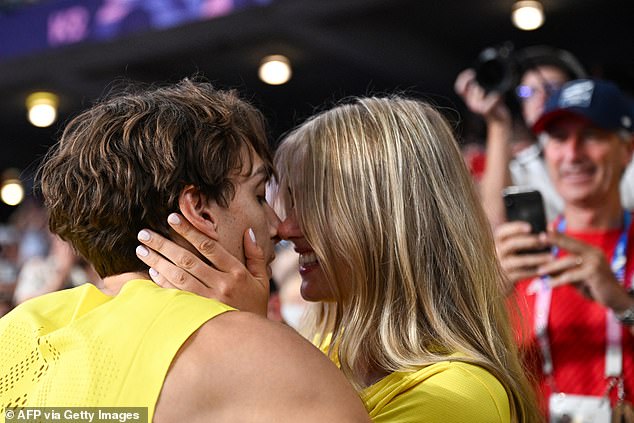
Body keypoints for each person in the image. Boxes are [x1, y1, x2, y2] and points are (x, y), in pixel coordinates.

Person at [135, 96, 543, 422]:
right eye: (277, 199)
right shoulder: (327, 352)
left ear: (384, 218)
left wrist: (249, 341)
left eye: (310, 204)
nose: (283, 227)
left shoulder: (457, 396)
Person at [0, 79, 370, 422]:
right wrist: (251, 333)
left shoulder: (16, 329)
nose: (276, 226)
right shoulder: (265, 358)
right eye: (259, 196)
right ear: (200, 210)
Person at [495, 79, 634, 420]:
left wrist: (623, 304)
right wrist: (486, 296)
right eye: (558, 138)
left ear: (626, 150)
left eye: (591, 135)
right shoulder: (517, 254)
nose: (572, 154)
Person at [454, 45, 634, 227]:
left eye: (553, 88)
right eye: (528, 92)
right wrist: (498, 124)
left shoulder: (619, 153)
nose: (541, 98)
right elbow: (495, 224)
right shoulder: (522, 165)